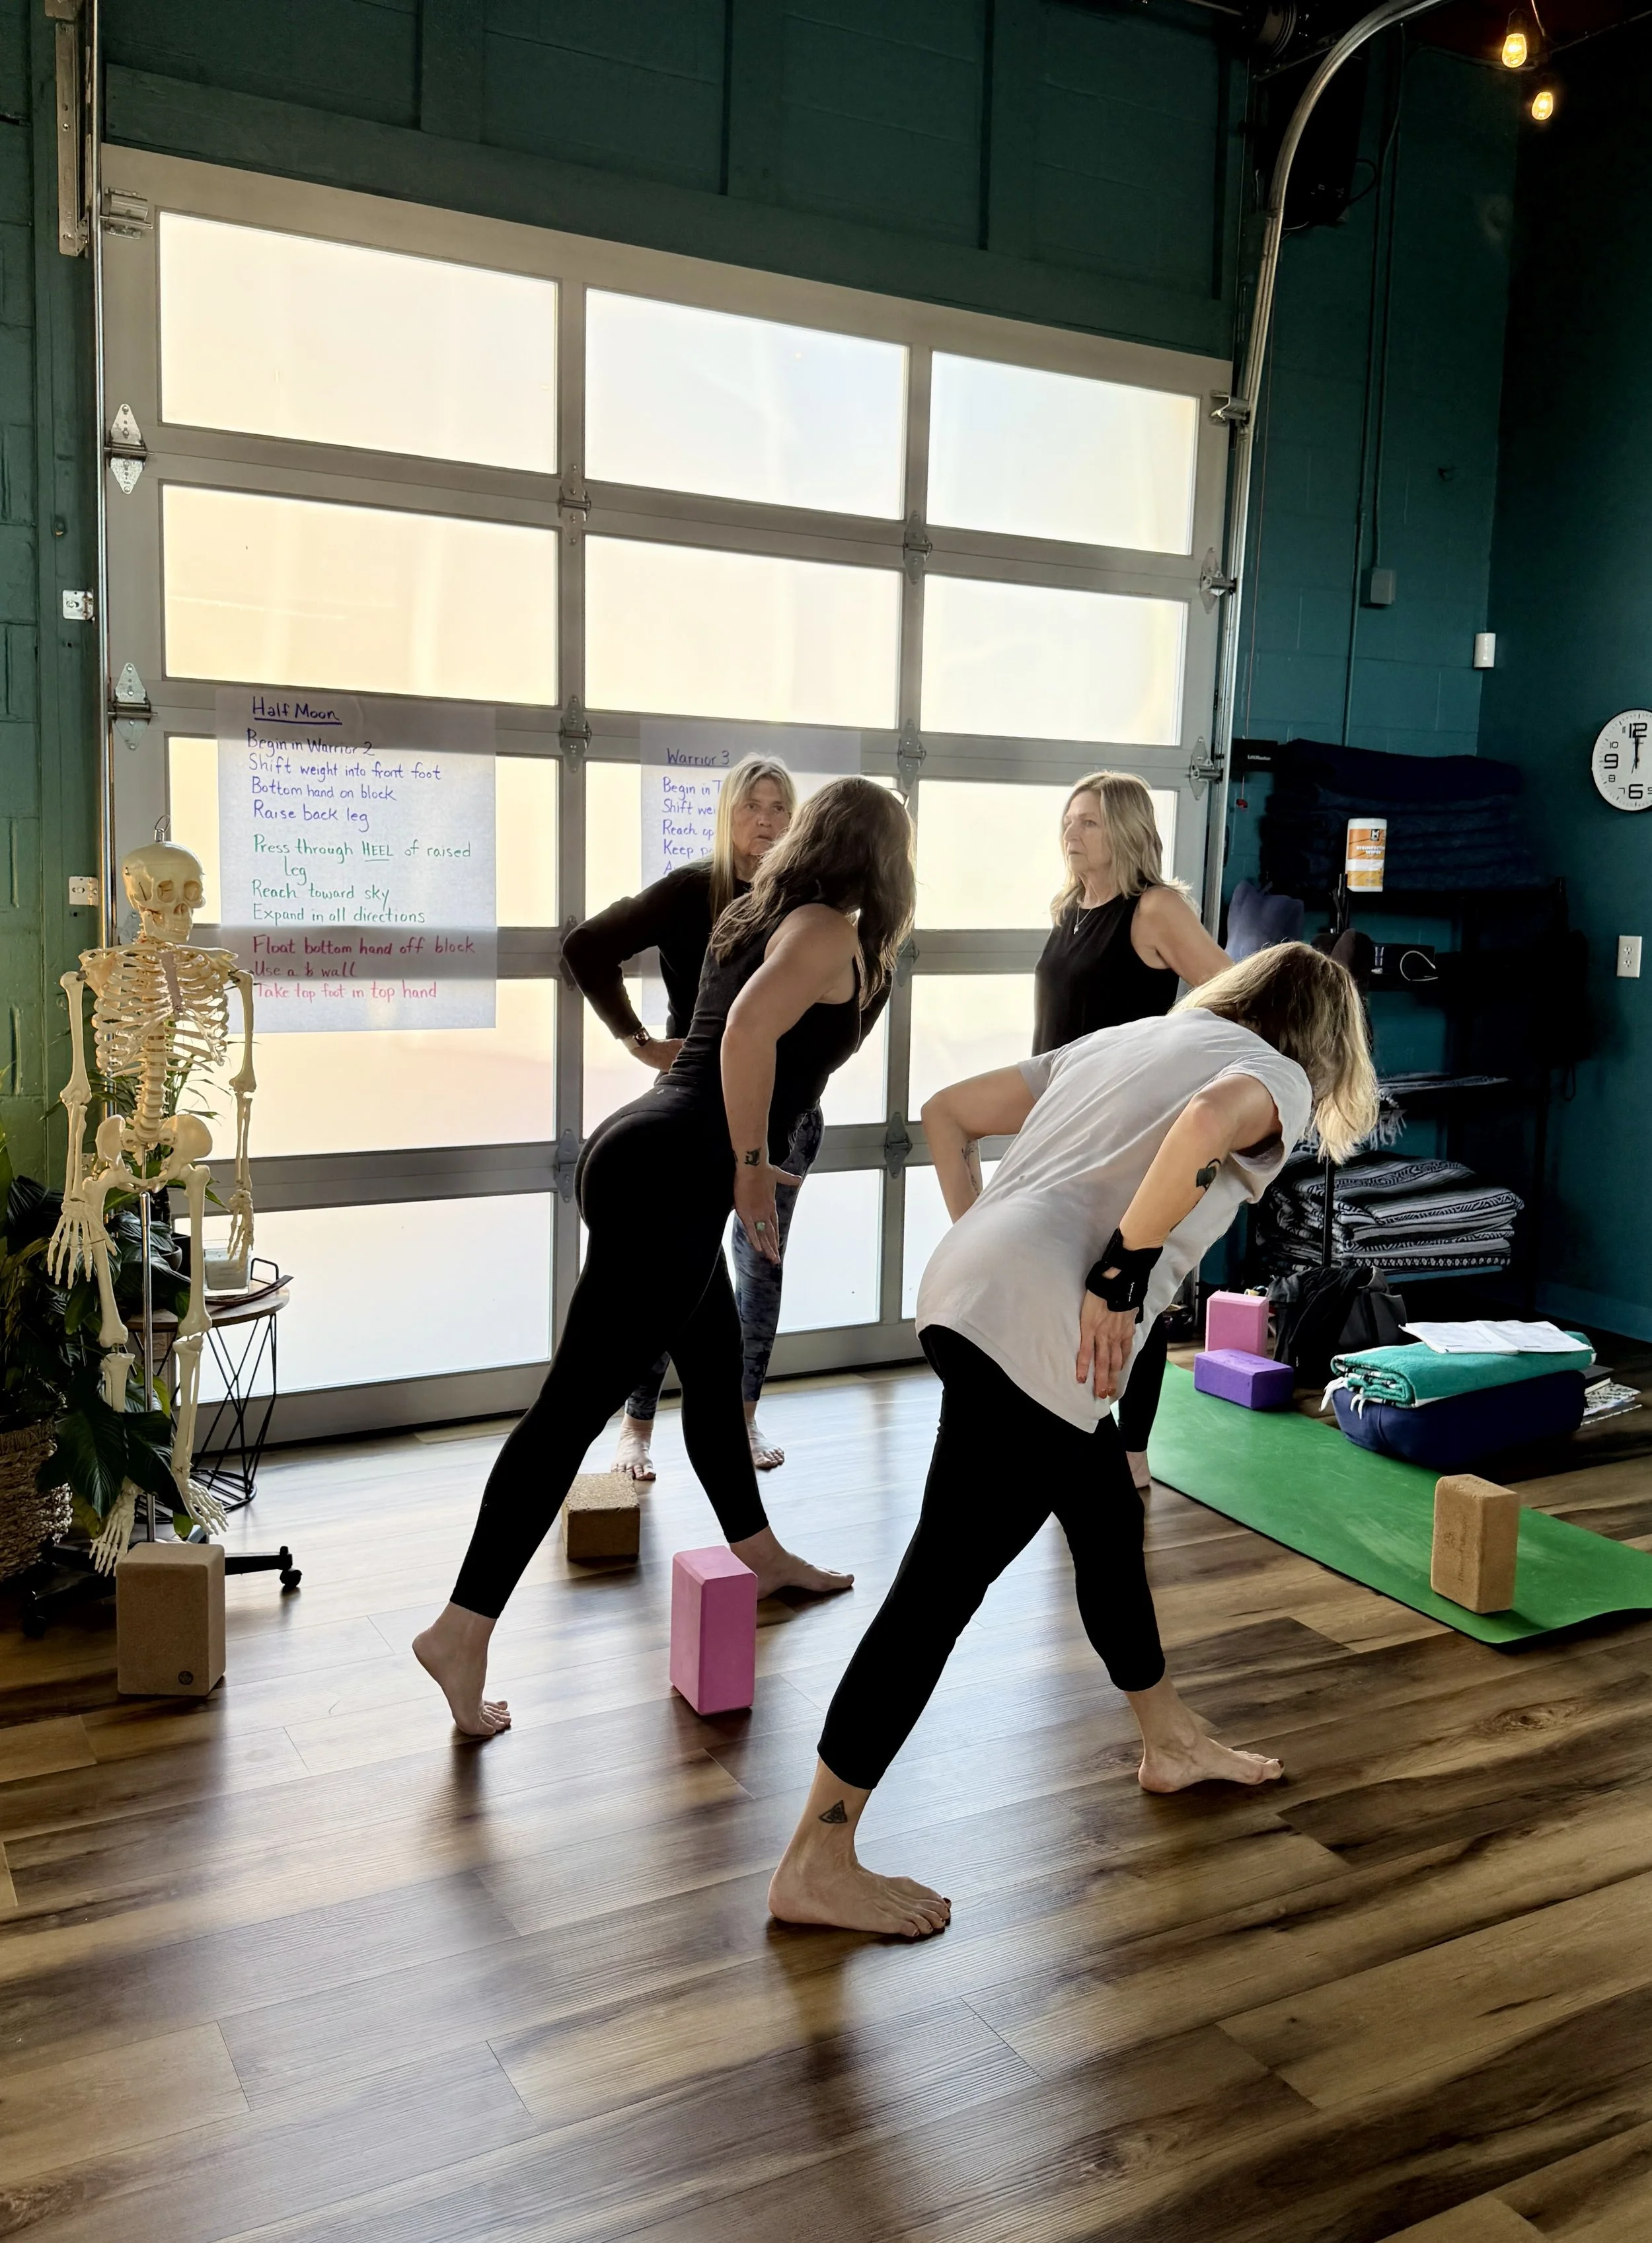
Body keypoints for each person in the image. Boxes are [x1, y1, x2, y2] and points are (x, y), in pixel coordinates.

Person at [767, 942, 1378, 1937]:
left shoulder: (1136, 1037)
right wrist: (1117, 1274)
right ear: (1326, 1044)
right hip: (1048, 1325)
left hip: (967, 1284)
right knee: (938, 1590)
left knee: (1101, 1514)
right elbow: (1208, 1123)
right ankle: (817, 1856)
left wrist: (1000, 1249)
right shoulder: (1277, 1075)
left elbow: (948, 1114)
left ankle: (1169, 1738)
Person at [415, 777, 917, 1739]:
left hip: (644, 1151)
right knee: (568, 1412)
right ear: (891, 861)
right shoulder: (819, 929)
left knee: (715, 1363)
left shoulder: (765, 910)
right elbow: (743, 1034)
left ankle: (759, 1552)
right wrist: (752, 1168)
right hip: (673, 1174)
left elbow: (741, 1037)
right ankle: (460, 1627)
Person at [563, 756, 814, 1481]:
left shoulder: (807, 908)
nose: (765, 821)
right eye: (751, 806)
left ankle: (742, 1416)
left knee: (760, 1264)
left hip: (785, 1116)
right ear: (728, 814)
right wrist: (640, 1042)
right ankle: (636, 1425)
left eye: (779, 807)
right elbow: (586, 948)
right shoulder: (688, 891)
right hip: (699, 1110)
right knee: (673, 1267)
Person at [1035, 772, 1232, 1494]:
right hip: (1063, 1122)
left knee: (1130, 1286)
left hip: (1128, 1129)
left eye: (1088, 821)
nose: (1072, 833)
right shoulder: (1071, 908)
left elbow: (1231, 992)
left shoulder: (1154, 910)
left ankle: (1131, 1452)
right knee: (1068, 1280)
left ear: (1123, 830)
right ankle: (1079, 1422)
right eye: (1069, 818)